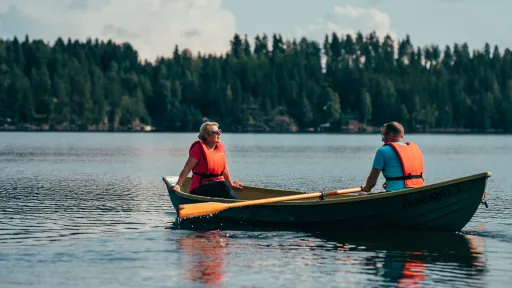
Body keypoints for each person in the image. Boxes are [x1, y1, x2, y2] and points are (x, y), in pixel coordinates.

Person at [171, 121, 243, 199]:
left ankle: (237, 203)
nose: (219, 134)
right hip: (199, 189)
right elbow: (187, 168)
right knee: (223, 185)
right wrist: (178, 184)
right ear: (207, 136)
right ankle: (240, 205)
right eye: (216, 132)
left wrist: (231, 184)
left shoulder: (220, 148)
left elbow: (224, 168)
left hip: (217, 186)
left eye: (219, 131)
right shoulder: (198, 149)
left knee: (224, 185)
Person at [360, 121, 424, 193]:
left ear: (390, 135)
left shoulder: (383, 151)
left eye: (383, 135)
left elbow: (371, 182)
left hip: (396, 193)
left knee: (361, 195)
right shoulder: (415, 150)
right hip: (418, 190)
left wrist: (367, 187)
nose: (382, 139)